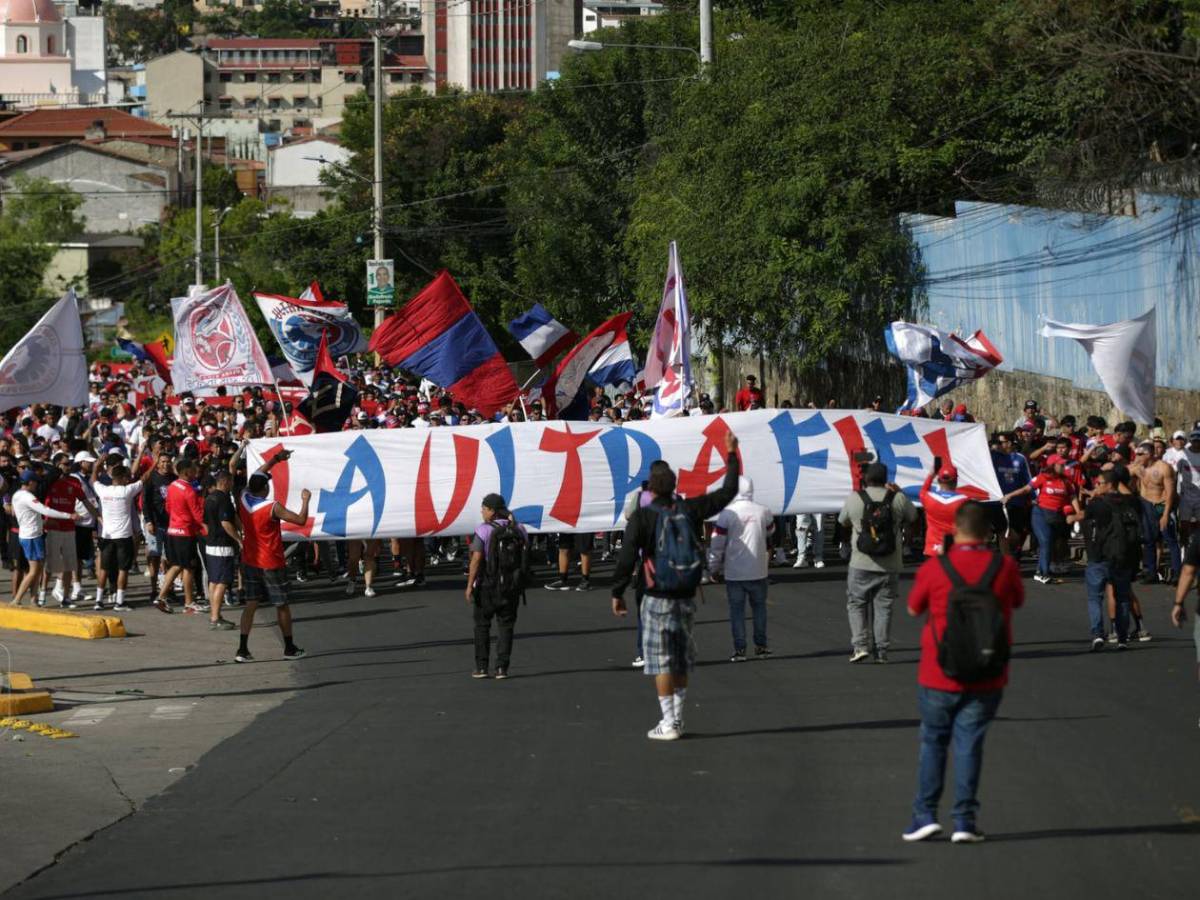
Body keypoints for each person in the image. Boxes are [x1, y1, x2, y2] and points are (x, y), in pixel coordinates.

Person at [903, 501, 1024, 843]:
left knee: (933, 741)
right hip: (987, 670)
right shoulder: (1003, 566)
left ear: (955, 530)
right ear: (988, 532)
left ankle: (925, 814)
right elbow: (1016, 601)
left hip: (939, 671)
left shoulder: (937, 567)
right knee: (969, 743)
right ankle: (964, 820)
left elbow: (913, 608)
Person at [611, 431, 741, 741]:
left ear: (650, 489)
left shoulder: (643, 517)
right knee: (680, 657)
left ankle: (668, 721)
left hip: (656, 594)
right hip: (685, 594)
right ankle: (679, 718)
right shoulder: (689, 509)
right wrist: (731, 453)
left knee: (661, 660)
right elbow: (728, 491)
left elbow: (627, 556)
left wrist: (617, 592)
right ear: (675, 486)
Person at [837, 463, 918, 663]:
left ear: (866, 479)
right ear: (886, 479)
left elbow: (842, 520)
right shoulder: (897, 498)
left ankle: (860, 646)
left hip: (861, 561)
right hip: (890, 562)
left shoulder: (855, 498)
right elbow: (913, 516)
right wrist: (899, 492)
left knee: (857, 603)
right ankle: (881, 651)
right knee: (884, 606)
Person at [235, 450, 309, 663]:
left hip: (251, 559)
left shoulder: (243, 497)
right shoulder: (272, 507)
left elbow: (257, 476)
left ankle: (242, 649)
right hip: (271, 561)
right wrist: (305, 500)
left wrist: (275, 460)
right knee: (281, 604)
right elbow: (301, 520)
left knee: (251, 604)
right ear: (265, 488)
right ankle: (289, 647)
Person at [1067, 468, 1141, 650]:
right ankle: (1122, 638)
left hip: (1099, 556)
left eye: (1099, 483)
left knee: (1095, 597)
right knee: (1122, 597)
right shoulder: (1131, 502)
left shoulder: (1097, 504)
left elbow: (1082, 516)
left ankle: (1098, 634)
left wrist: (1071, 517)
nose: (1096, 486)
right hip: (1123, 556)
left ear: (1109, 485)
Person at [708, 476, 774, 662]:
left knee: (737, 612)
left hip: (735, 573)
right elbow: (771, 530)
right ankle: (761, 647)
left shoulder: (727, 514)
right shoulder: (763, 511)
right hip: (758, 570)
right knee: (759, 609)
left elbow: (717, 544)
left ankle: (740, 649)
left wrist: (713, 567)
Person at [464, 493, 529, 679]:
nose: (482, 512)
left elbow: (476, 559)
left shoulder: (483, 530)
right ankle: (502, 668)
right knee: (506, 626)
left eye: (484, 509)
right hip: (511, 585)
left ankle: (482, 667)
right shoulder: (520, 529)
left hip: (487, 584)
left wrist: (470, 584)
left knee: (482, 625)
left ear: (492, 511)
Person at [91, 449, 160, 611]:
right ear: (122, 478)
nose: (129, 479)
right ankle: (119, 602)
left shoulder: (103, 490)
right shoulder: (127, 491)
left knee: (104, 569)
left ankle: (98, 601)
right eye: (127, 477)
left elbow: (93, 480)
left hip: (106, 536)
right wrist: (155, 463)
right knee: (123, 569)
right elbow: (144, 478)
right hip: (123, 537)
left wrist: (96, 467)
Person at [1003, 454, 1075, 584]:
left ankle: (1040, 570)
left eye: (1064, 464)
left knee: (1048, 543)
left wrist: (1078, 513)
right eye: (1060, 464)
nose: (1063, 466)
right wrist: (1010, 495)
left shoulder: (1066, 481)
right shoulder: (1042, 477)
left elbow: (1072, 497)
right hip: (1040, 514)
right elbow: (1026, 489)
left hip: (1056, 516)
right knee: (1045, 541)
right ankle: (1043, 573)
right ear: (1052, 466)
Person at [11, 470, 76, 606]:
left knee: (38, 570)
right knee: (34, 571)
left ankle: (33, 600)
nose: (37, 485)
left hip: (30, 534)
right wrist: (69, 515)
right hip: (31, 537)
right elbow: (45, 510)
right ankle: (16, 600)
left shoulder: (17, 495)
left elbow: (27, 515)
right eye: (35, 482)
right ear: (29, 482)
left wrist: (41, 523)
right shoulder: (27, 497)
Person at [42, 461, 98, 608]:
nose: (67, 466)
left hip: (69, 528)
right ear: (57, 465)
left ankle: (65, 597)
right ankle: (43, 593)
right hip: (52, 527)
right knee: (51, 563)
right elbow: (41, 504)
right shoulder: (49, 481)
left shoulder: (74, 481)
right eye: (64, 463)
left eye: (69, 463)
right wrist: (44, 522)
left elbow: (85, 501)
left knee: (68, 563)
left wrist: (99, 518)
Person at [154, 457, 205, 614]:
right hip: (185, 533)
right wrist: (206, 527)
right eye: (193, 469)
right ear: (187, 472)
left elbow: (168, 507)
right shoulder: (189, 491)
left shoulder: (172, 486)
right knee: (189, 567)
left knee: (176, 565)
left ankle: (161, 597)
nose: (196, 472)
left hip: (173, 531)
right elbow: (198, 515)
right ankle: (188, 603)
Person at [1132, 441, 1179, 584]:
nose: (1137, 457)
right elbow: (1118, 474)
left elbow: (1170, 493)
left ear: (1149, 454)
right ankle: (1151, 573)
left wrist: (1165, 514)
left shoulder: (1164, 468)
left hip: (1162, 505)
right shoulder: (1138, 468)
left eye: (1140, 454)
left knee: (1170, 539)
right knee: (1149, 540)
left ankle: (1177, 574)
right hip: (1147, 505)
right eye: (1137, 454)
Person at [203, 468, 241, 630]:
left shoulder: (209, 498)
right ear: (225, 482)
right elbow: (226, 523)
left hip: (211, 544)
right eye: (231, 482)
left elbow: (205, 522)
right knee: (222, 582)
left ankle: (215, 615)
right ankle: (215, 618)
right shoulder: (223, 499)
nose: (232, 485)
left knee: (214, 581)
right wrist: (239, 540)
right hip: (222, 546)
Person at [919, 461, 969, 557]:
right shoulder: (965, 501)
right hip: (955, 551)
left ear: (938, 480)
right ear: (956, 481)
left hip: (932, 550)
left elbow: (923, 490)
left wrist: (931, 475)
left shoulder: (927, 497)